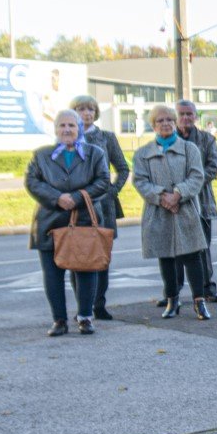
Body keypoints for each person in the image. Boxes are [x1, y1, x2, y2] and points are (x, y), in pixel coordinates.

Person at [25, 109, 112, 336]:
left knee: (85, 269)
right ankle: (59, 320)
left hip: (83, 219)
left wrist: (76, 197)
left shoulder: (95, 153)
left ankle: (85, 316)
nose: (66, 130)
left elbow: (103, 181)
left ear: (79, 129)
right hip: (50, 221)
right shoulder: (42, 155)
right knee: (52, 273)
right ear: (55, 130)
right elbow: (32, 182)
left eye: (71, 126)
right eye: (62, 126)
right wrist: (57, 198)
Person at [132, 104, 212, 320]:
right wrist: (162, 197)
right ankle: (172, 300)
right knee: (166, 257)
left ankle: (199, 301)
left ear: (175, 122)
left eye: (169, 119)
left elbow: (197, 176)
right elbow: (140, 181)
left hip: (185, 209)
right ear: (153, 125)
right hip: (159, 212)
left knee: (193, 255)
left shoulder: (189, 149)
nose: (165, 124)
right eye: (160, 121)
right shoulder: (143, 153)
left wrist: (178, 194)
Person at [69, 95, 127, 320]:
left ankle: (99, 304)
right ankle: (82, 307)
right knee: (77, 258)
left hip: (103, 207)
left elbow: (122, 168)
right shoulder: (69, 136)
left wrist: (112, 191)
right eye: (81, 109)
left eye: (91, 109)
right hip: (76, 207)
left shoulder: (106, 137)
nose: (87, 113)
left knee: (101, 257)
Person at [174, 100, 217, 304]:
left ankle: (206, 288)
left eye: (189, 114)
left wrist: (188, 186)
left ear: (195, 116)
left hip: (201, 202)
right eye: (181, 114)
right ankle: (172, 292)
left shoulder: (206, 140)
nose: (185, 118)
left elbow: (212, 168)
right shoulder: (166, 139)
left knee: (202, 248)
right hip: (173, 203)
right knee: (173, 250)